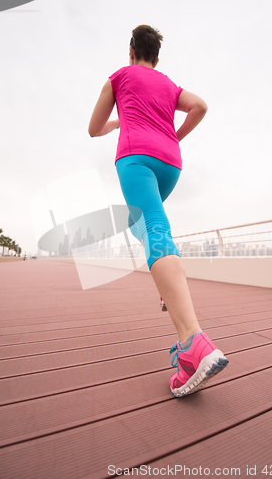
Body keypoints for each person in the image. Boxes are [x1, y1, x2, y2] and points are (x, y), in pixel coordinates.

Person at [88, 25, 228, 397]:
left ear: (131, 51)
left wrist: (122, 120)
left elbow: (93, 129)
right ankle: (168, 288)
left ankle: (193, 343)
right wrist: (174, 136)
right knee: (143, 224)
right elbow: (200, 105)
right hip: (171, 164)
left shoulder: (119, 77)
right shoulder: (169, 85)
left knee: (152, 225)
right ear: (157, 58)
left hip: (136, 159)